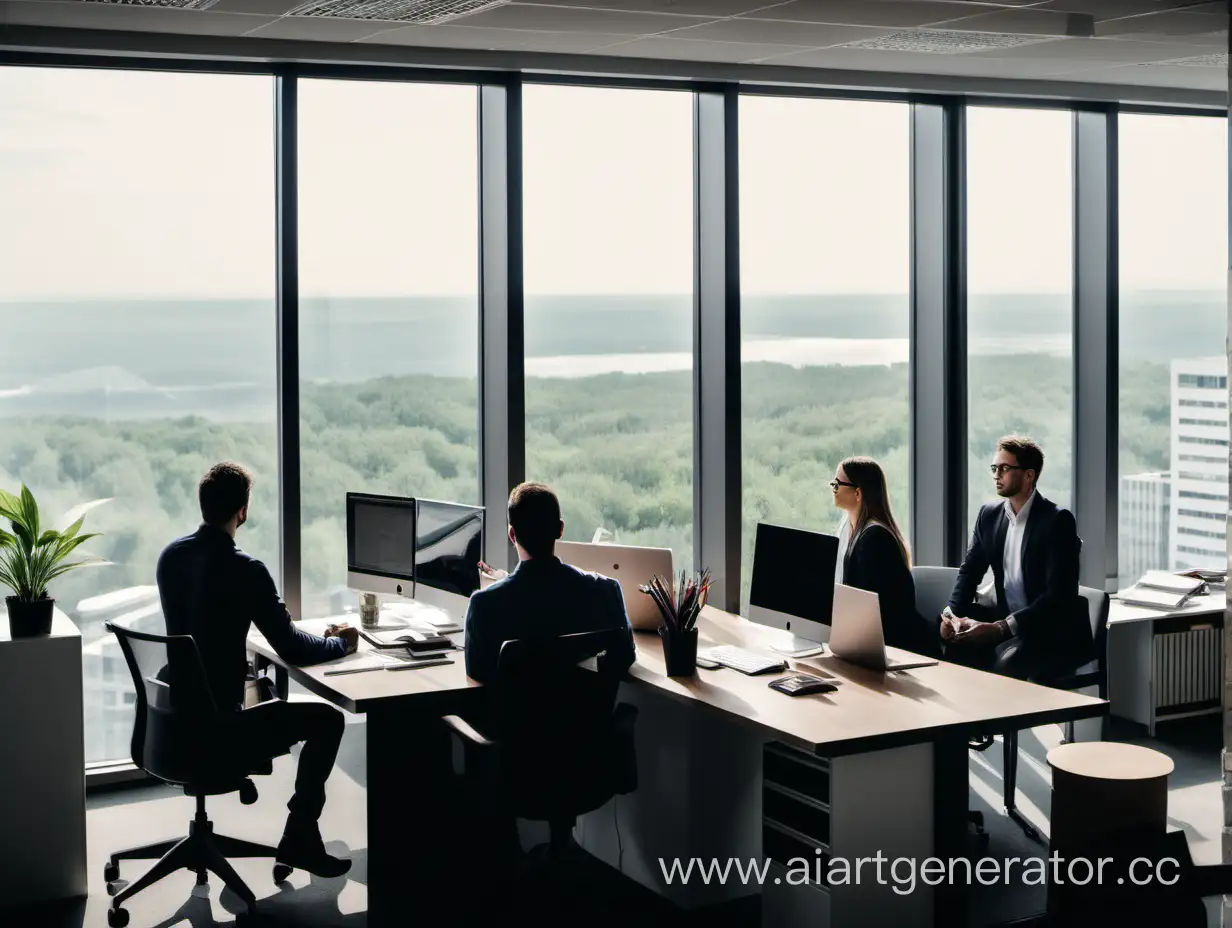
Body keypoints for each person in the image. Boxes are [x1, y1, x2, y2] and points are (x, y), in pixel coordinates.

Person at [156, 462, 357, 878]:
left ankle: (299, 836)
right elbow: (292, 647)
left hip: (174, 723)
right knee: (328, 720)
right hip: (222, 728)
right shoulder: (246, 570)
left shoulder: (171, 558)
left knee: (266, 691)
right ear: (242, 512)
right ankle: (300, 833)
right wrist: (341, 643)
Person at [943, 436, 1092, 680]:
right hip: (1007, 620)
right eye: (994, 468)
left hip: (1049, 629)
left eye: (1005, 468)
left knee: (1008, 667)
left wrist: (1002, 629)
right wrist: (951, 617)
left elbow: (1058, 597)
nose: (996, 474)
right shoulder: (989, 515)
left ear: (1028, 475)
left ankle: (1002, 717)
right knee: (955, 647)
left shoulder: (1057, 521)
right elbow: (970, 571)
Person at [465, 481, 635, 684]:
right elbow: (625, 656)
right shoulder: (606, 591)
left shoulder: (484, 605)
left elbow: (477, 674)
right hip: (584, 715)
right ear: (560, 529)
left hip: (518, 716)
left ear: (512, 534)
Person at [831, 456, 939, 658]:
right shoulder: (849, 529)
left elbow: (871, 610)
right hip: (877, 644)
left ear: (857, 493)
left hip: (896, 647)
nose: (833, 488)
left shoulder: (875, 538)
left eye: (837, 483)